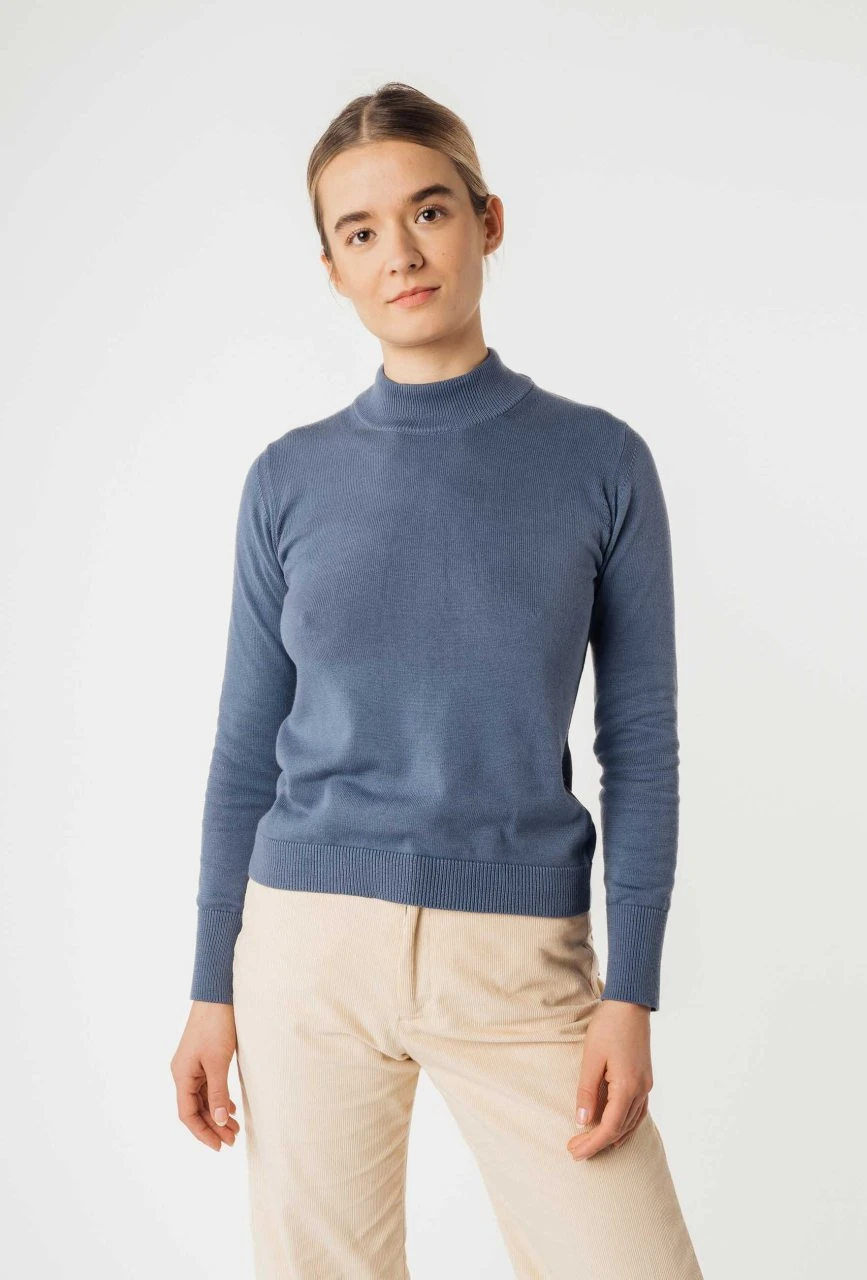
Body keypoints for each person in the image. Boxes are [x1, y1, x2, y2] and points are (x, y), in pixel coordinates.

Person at [170, 81, 704, 1279]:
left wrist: (633, 990)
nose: (400, 254)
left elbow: (640, 742)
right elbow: (245, 749)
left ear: (486, 219)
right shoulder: (287, 479)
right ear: (333, 268)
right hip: (305, 950)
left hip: (517, 956)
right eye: (360, 231)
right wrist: (211, 986)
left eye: (428, 212)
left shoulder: (600, 462)